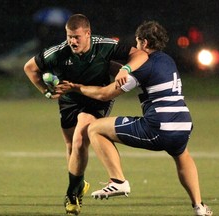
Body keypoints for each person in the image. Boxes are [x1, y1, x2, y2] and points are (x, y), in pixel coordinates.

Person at [57, 21, 213, 216]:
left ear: (144, 43)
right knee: (183, 156)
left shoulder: (143, 64)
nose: (136, 48)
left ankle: (118, 181)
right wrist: (108, 65)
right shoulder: (166, 60)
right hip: (183, 124)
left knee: (94, 128)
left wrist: (76, 87)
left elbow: (105, 94)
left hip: (159, 127)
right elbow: (132, 73)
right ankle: (199, 206)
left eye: (138, 43)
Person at [24, 14, 148, 215]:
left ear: (88, 34)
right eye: (69, 36)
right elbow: (29, 68)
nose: (72, 41)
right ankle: (79, 185)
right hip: (69, 100)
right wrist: (46, 91)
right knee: (72, 145)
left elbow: (140, 55)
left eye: (77, 37)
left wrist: (125, 68)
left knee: (82, 135)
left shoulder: (104, 45)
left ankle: (72, 194)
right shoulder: (59, 52)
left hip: (96, 100)